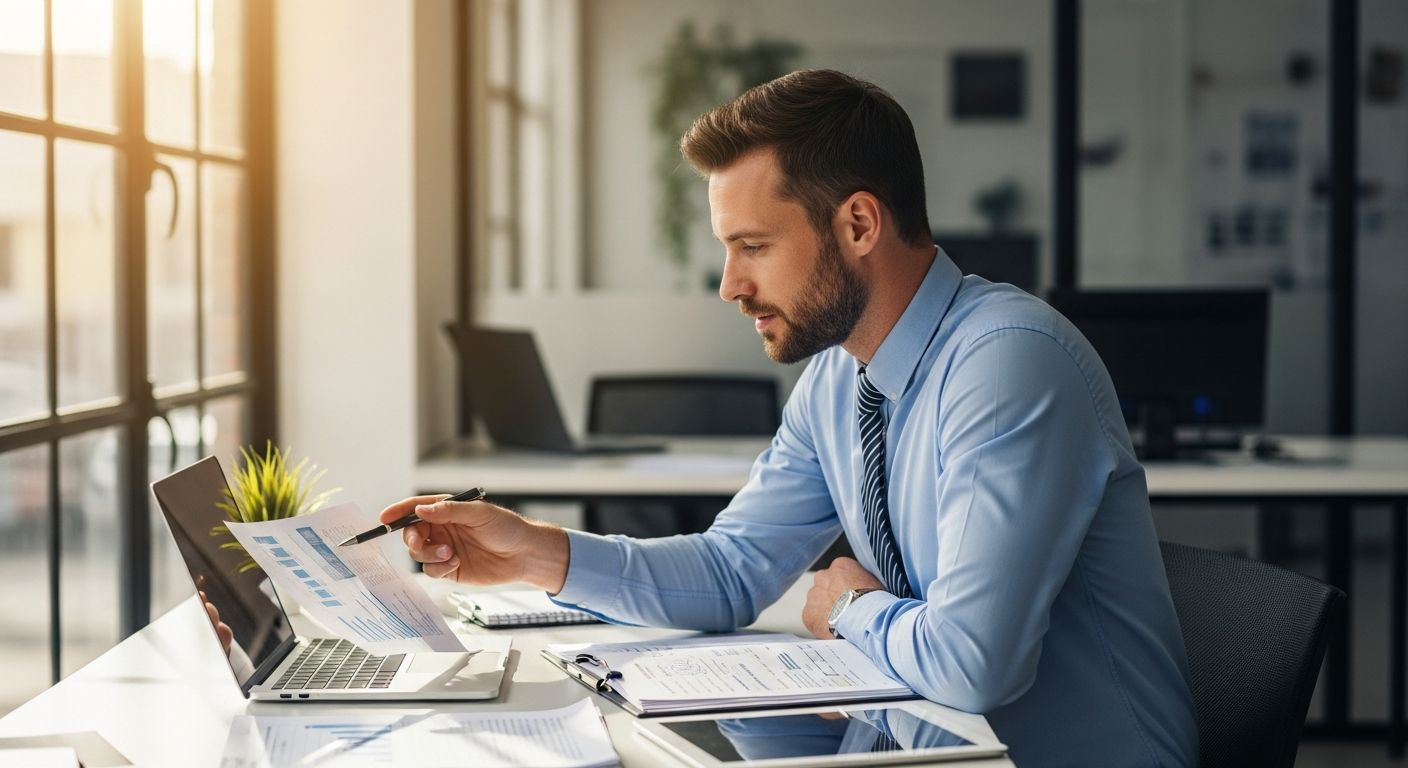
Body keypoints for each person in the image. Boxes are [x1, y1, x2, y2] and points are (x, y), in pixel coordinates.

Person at [383, 69, 1198, 766]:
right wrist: (538, 554)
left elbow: (975, 664)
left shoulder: (1007, 361)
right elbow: (733, 571)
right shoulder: (839, 381)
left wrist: (846, 605)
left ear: (859, 224)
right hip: (927, 746)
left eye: (754, 247)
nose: (730, 285)